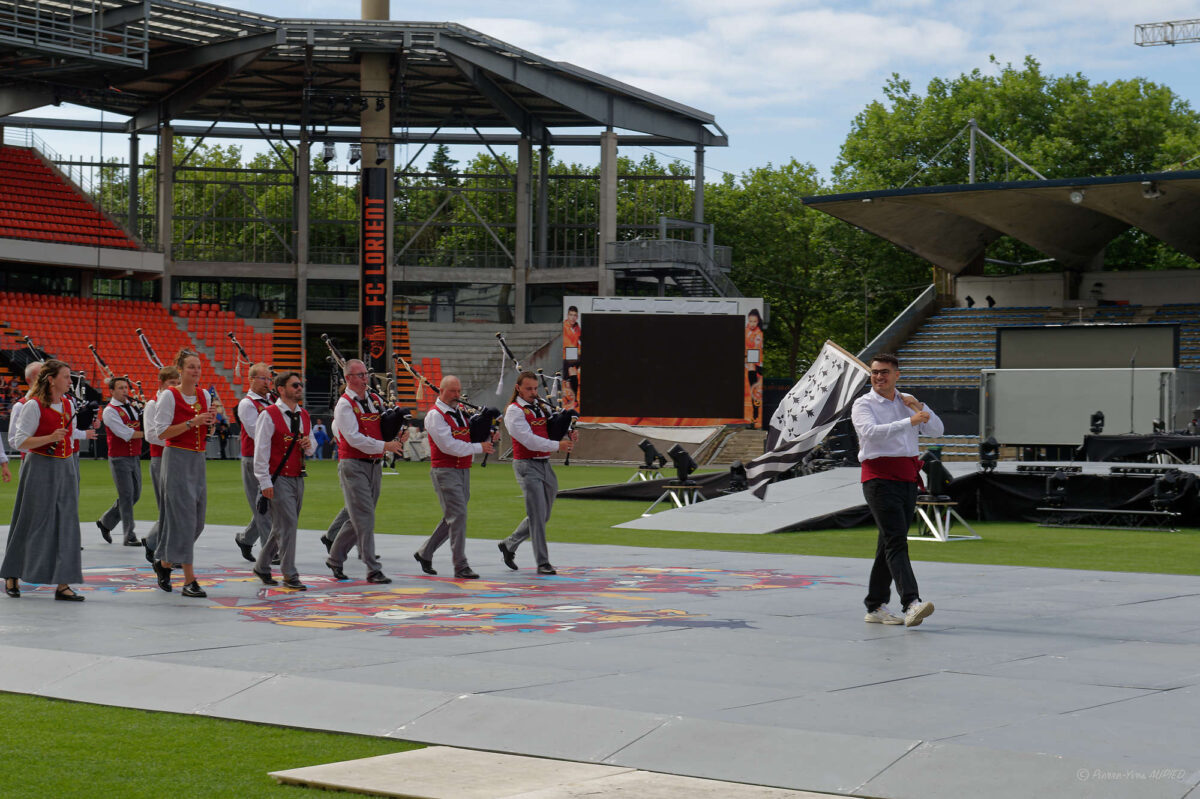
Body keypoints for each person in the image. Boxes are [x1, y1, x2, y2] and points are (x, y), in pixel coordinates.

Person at [851, 353, 941, 628]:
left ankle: (875, 605)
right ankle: (911, 602)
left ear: (897, 374)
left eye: (885, 372)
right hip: (878, 478)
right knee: (896, 540)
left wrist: (918, 407)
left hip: (907, 478)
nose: (879, 377)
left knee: (889, 541)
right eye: (875, 372)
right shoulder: (863, 403)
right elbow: (870, 433)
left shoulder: (907, 401)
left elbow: (936, 430)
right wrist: (909, 422)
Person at [2, 359, 86, 601]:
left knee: (67, 523)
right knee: (29, 520)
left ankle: (63, 583)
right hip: (39, 466)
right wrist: (49, 437)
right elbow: (18, 441)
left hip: (66, 466)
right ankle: (12, 574)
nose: (70, 382)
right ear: (51, 379)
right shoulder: (33, 406)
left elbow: (69, 439)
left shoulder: (69, 404)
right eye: (66, 377)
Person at [326, 359, 403, 583]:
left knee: (357, 516)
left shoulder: (373, 400)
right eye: (359, 375)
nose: (364, 379)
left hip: (374, 464)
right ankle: (373, 568)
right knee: (365, 517)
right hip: (353, 464)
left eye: (365, 374)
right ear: (348, 378)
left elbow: (383, 427)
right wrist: (384, 446)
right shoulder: (344, 405)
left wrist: (397, 436)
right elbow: (353, 438)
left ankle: (335, 558)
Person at [149, 350, 216, 598]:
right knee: (185, 520)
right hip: (176, 458)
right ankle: (189, 579)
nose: (196, 371)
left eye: (198, 367)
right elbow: (161, 433)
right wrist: (192, 422)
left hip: (197, 459)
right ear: (180, 369)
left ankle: (164, 563)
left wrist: (208, 423)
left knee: (197, 520)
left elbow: (204, 429)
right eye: (190, 367)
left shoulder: (204, 395)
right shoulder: (169, 396)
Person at [415, 375, 494, 579]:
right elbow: (448, 446)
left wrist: (488, 431)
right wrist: (479, 447)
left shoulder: (459, 412)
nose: (457, 395)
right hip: (445, 470)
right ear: (441, 391)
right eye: (453, 391)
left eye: (459, 391)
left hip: (463, 469)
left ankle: (425, 553)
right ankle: (460, 565)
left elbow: (469, 436)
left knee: (453, 516)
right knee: (458, 516)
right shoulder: (435, 416)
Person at [497, 371, 575, 575]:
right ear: (518, 389)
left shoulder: (540, 408)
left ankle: (509, 544)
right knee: (538, 516)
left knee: (543, 515)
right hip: (526, 465)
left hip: (544, 464)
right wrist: (558, 444)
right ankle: (542, 562)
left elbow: (550, 429)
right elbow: (528, 440)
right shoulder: (514, 412)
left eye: (535, 388)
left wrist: (567, 430)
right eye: (528, 389)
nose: (533, 392)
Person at [251, 372, 315, 590]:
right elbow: (261, 451)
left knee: (282, 526)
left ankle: (262, 565)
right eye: (295, 385)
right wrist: (264, 482)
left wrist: (308, 445)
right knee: (288, 526)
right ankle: (289, 573)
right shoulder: (268, 414)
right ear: (281, 389)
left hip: (298, 477)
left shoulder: (304, 414)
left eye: (300, 384)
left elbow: (312, 445)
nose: (299, 388)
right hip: (278, 478)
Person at [96, 376, 145, 546]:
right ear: (112, 391)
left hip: (134, 455)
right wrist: (149, 434)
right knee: (126, 495)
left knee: (135, 494)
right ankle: (129, 535)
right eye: (121, 388)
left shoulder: (132, 407)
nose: (125, 391)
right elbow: (125, 434)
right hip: (119, 457)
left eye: (126, 387)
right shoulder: (110, 411)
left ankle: (106, 522)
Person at [234, 364, 274, 561]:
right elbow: (254, 433)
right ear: (251, 379)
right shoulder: (248, 403)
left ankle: (246, 539)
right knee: (263, 507)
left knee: (269, 506)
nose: (267, 383)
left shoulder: (272, 402)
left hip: (271, 459)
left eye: (269, 379)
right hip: (253, 459)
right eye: (263, 379)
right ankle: (270, 551)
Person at [141, 366, 180, 560]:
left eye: (177, 383)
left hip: (177, 457)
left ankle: (157, 544)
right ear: (161, 384)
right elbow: (150, 435)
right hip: (160, 457)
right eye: (171, 383)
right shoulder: (152, 404)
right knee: (166, 507)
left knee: (175, 507)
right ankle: (156, 545)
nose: (175, 386)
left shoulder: (177, 402)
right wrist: (174, 439)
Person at [745, 309, 764, 422]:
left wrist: (753, 365)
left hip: (756, 366)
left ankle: (756, 415)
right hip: (750, 365)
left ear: (758, 322)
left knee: (755, 391)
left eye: (754, 321)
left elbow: (756, 350)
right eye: (750, 321)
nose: (752, 323)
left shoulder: (758, 334)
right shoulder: (746, 330)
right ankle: (755, 415)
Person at [562, 306, 581, 411]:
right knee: (570, 375)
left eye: (574, 315)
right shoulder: (564, 326)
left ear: (577, 316)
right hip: (566, 353)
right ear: (567, 315)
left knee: (572, 374)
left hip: (572, 352)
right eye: (571, 315)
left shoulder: (578, 328)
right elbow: (568, 343)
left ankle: (573, 400)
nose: (573, 317)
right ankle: (571, 400)